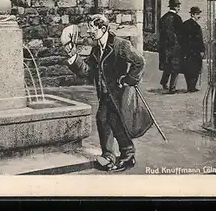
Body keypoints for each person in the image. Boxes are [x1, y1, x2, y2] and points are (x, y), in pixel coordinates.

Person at [61, 14, 153, 173]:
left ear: (103, 29)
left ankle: (128, 156)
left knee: (116, 121)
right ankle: (108, 156)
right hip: (105, 94)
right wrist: (73, 56)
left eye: (92, 29)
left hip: (120, 94)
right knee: (102, 120)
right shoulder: (97, 48)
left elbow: (140, 61)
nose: (89, 32)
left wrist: (129, 79)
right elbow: (88, 72)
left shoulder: (121, 45)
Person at [158, 0, 183, 94]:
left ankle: (164, 82)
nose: (179, 8)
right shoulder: (177, 18)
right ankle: (172, 88)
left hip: (164, 46)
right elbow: (180, 34)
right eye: (178, 6)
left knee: (167, 65)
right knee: (175, 67)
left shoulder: (163, 17)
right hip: (174, 46)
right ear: (176, 7)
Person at [181, 6, 205, 93]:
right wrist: (202, 50)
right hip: (195, 51)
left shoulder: (185, 24)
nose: (199, 16)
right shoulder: (196, 26)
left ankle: (189, 86)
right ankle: (192, 87)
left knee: (188, 68)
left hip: (186, 51)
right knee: (195, 68)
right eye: (198, 14)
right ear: (193, 14)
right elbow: (199, 40)